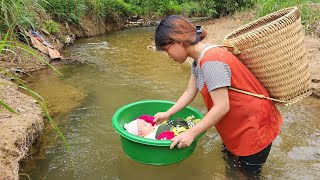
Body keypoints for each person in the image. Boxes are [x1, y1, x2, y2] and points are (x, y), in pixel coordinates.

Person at [153, 15, 282, 176]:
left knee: (248, 174)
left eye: (167, 50)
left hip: (253, 128)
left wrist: (191, 133)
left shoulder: (211, 61)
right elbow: (189, 92)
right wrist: (167, 113)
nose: (169, 56)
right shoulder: (198, 60)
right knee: (232, 169)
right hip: (238, 125)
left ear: (178, 41)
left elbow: (222, 106)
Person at [124, 115, 201, 140]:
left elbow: (144, 117)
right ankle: (189, 125)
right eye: (145, 125)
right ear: (140, 134)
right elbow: (163, 139)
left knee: (177, 120)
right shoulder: (149, 138)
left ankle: (187, 123)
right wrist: (167, 135)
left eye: (146, 123)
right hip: (175, 132)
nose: (148, 123)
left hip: (171, 125)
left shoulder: (151, 127)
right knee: (180, 122)